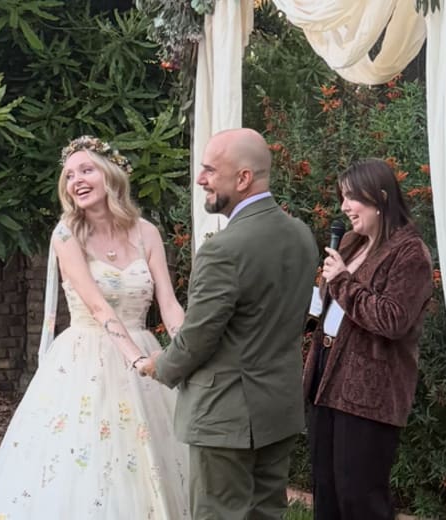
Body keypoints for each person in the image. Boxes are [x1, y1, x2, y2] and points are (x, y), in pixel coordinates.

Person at [0, 136, 190, 519]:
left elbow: (170, 304)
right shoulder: (66, 235)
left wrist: (190, 351)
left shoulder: (147, 233)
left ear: (110, 176)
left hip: (141, 347)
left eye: (86, 169)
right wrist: (137, 360)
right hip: (86, 357)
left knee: (151, 457)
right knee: (84, 458)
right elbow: (97, 305)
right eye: (69, 175)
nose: (76, 180)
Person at [137, 128, 319, 520]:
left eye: (209, 171)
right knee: (267, 513)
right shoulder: (302, 236)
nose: (200, 179)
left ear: (243, 179)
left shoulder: (223, 249)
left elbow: (199, 337)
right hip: (279, 408)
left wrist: (160, 366)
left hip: (225, 417)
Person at [303, 158, 433, 520]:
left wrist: (343, 281)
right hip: (325, 379)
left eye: (350, 198)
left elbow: (392, 320)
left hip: (370, 392)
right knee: (326, 491)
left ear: (379, 198)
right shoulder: (349, 242)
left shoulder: (410, 254)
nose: (343, 207)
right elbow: (329, 308)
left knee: (359, 497)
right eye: (341, 197)